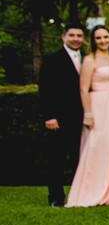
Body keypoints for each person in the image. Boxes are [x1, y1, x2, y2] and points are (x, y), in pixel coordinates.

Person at [65, 25, 109, 207]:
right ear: (93, 41)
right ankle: (92, 190)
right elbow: (83, 89)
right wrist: (88, 113)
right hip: (98, 106)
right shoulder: (90, 60)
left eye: (105, 37)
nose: (103, 41)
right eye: (98, 38)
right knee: (97, 146)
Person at [40, 23, 86, 207]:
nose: (76, 39)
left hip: (82, 116)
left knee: (79, 158)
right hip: (59, 118)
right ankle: (56, 197)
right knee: (57, 159)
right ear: (63, 37)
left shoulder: (88, 59)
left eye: (79, 35)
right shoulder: (52, 59)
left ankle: (79, 195)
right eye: (72, 35)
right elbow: (45, 89)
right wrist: (49, 116)